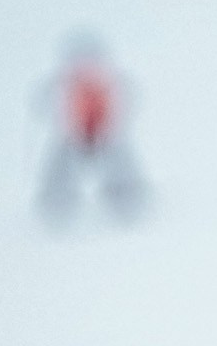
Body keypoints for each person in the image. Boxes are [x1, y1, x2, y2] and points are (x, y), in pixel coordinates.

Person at [36, 32, 148, 221]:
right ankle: (57, 197)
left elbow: (124, 98)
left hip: (100, 132)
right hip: (80, 133)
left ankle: (125, 194)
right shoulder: (78, 80)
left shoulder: (103, 80)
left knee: (119, 164)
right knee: (61, 165)